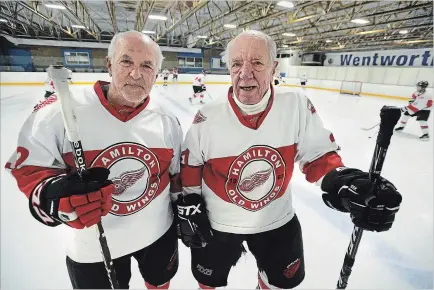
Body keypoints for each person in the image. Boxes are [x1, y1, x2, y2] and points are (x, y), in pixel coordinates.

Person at [175, 30, 402, 289]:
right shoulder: (208, 116)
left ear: (274, 68)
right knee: (207, 280)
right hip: (219, 222)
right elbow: (191, 162)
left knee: (279, 283)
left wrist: (341, 182)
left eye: (257, 63)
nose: (245, 73)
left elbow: (318, 156)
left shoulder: (295, 105)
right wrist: (190, 202)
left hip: (276, 220)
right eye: (236, 64)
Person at [5, 30, 182, 289]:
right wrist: (52, 195)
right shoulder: (59, 111)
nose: (136, 73)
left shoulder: (167, 119)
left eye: (146, 66)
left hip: (157, 233)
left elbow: (175, 176)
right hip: (91, 249)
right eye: (126, 62)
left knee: (159, 281)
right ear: (109, 64)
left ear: (156, 73)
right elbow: (28, 169)